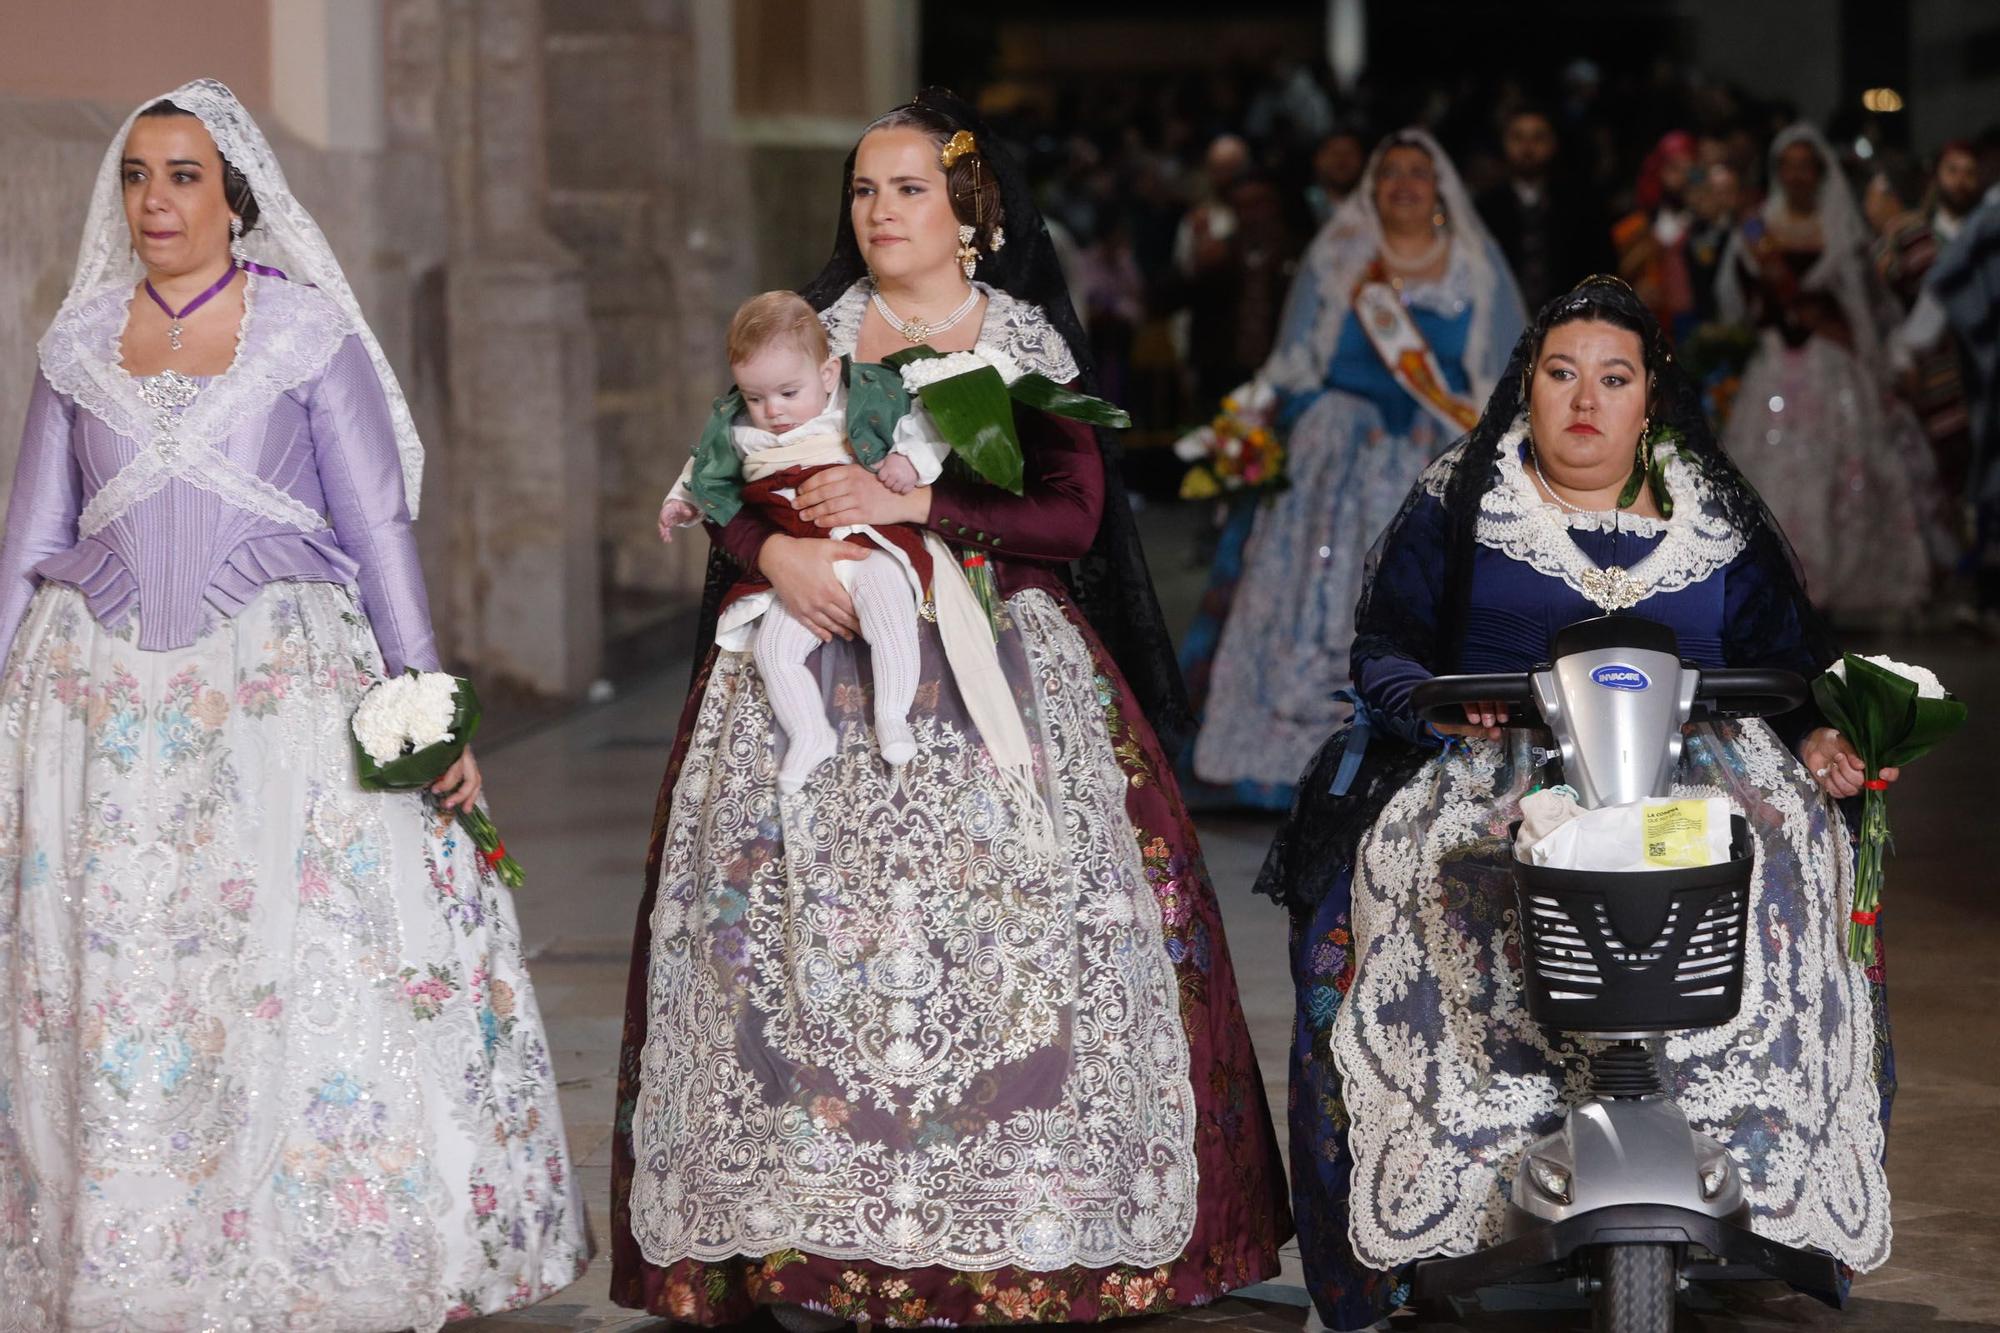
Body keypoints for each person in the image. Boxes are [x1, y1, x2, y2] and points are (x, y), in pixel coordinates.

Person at [611, 89, 1290, 1329]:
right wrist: (778, 558)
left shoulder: (1017, 340)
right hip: (809, 653)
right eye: (864, 190)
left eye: (907, 188)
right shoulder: (808, 332)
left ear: (968, 211)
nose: (879, 211)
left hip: (988, 651)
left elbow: (1074, 519)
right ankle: (801, 1223)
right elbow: (726, 478)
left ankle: (1026, 1212)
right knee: (800, 930)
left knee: (1006, 925)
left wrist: (921, 508)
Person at [0, 80, 588, 1329]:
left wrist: (427, 716)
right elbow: (28, 540)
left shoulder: (304, 334)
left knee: (287, 954)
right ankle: (131, 1247)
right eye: (138, 176)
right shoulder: (75, 343)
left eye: (184, 175)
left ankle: (309, 1242)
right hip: (98, 710)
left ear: (235, 195)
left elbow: (376, 531)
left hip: (277, 700)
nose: (156, 200)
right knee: (124, 966)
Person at [1258, 276, 1895, 1332]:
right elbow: (1384, 650)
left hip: (1698, 761)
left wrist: (1821, 736)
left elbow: (1789, 663)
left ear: (1650, 397)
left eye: (1613, 378)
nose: (1584, 402)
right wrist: (1424, 704)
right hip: (1497, 757)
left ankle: (1746, 1179)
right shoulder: (1465, 493)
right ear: (1528, 386)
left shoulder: (1708, 508)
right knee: (1428, 878)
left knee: (1792, 864)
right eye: (1561, 376)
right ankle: (1461, 1201)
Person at [1180, 130, 1524, 809]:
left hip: (1433, 457)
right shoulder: (1342, 255)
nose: (1402, 183)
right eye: (1388, 170)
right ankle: (1293, 759)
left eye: (1417, 173)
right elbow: (1294, 361)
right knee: (1314, 598)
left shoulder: (1475, 265)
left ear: (1440, 188)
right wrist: (1251, 426)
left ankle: (1420, 744)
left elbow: (1493, 375)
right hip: (1335, 451)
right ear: (1370, 187)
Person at [659, 291, 946, 792]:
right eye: (755, 397)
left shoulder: (859, 403)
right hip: (794, 555)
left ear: (828, 374)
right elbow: (702, 470)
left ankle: (892, 715)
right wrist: (681, 503)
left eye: (789, 394)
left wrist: (908, 463)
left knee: (888, 608)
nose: (772, 410)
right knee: (774, 647)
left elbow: (922, 425)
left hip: (867, 542)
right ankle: (809, 732)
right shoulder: (738, 428)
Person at [1717, 124, 1939, 620]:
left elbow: (1862, 305)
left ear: (1819, 173)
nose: (1796, 175)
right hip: (1774, 364)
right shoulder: (1757, 229)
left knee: (1837, 469)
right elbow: (1738, 298)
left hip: (1831, 366)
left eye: (1805, 165)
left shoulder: (1840, 227)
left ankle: (1831, 579)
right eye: (1787, 166)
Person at [1864, 153, 1973, 525]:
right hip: (1915, 371)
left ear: (1885, 193)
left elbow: (1934, 300)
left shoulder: (1910, 231)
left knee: (1945, 478)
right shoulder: (1897, 234)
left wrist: (1907, 349)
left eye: (1870, 195)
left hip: (1931, 372)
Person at [1475, 105, 1617, 312]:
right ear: (1504, 144)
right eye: (1518, 137)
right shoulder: (1485, 208)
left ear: (1553, 144)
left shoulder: (1582, 205)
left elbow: (1602, 269)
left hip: (1570, 321)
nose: (1527, 147)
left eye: (1538, 138)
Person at [1612, 130, 1699, 340]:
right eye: (1673, 168)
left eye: (1689, 168)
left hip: (1699, 320)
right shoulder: (1637, 225)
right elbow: (1617, 272)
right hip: (1652, 323)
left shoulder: (1705, 222)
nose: (1681, 177)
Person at [1930, 139, 1983, 246]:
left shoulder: (1987, 236)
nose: (1960, 180)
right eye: (1952, 170)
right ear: (1936, 176)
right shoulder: (1915, 234)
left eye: (1970, 173)